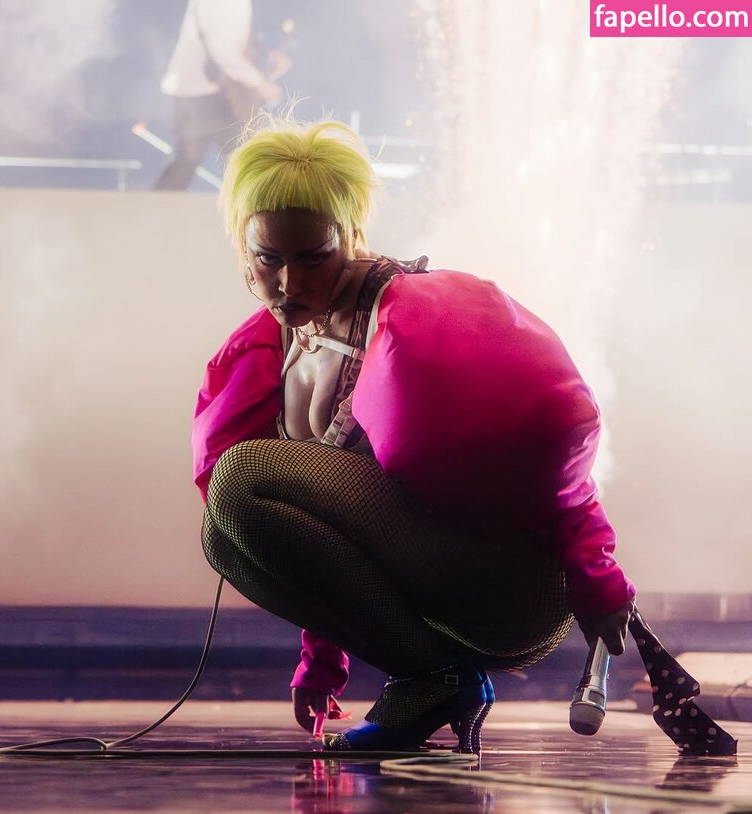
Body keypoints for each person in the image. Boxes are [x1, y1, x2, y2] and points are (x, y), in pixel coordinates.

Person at [191, 117, 635, 751]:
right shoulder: (281, 344)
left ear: (350, 237)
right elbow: (325, 531)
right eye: (269, 259)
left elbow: (551, 436)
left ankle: (437, 679)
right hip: (430, 575)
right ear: (243, 247)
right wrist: (321, 659)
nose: (289, 283)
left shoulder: (414, 316)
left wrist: (599, 577)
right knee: (223, 532)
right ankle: (436, 677)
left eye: (314, 258)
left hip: (514, 587)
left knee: (244, 476)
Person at [155, 0, 283, 191]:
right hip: (207, 96)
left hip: (202, 93)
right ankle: (268, 204)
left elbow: (230, 43)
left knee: (188, 162)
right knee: (247, 157)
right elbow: (223, 50)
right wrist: (260, 83)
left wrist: (266, 63)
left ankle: (154, 207)